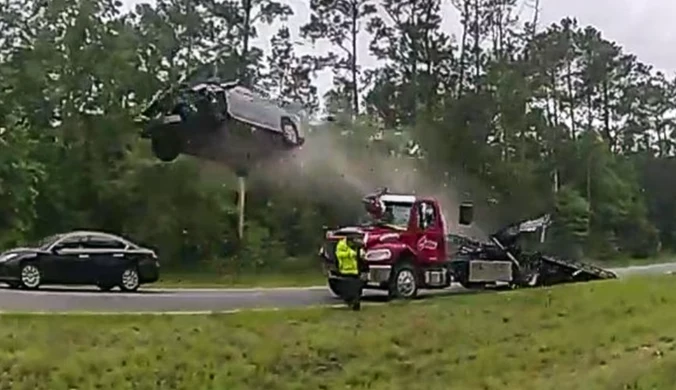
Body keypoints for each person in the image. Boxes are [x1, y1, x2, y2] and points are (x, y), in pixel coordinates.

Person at [334, 236, 366, 311]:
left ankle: (356, 304)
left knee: (356, 288)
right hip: (345, 271)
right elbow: (339, 255)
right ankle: (351, 302)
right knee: (348, 289)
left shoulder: (357, 246)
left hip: (355, 271)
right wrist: (349, 253)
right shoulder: (341, 245)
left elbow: (360, 257)